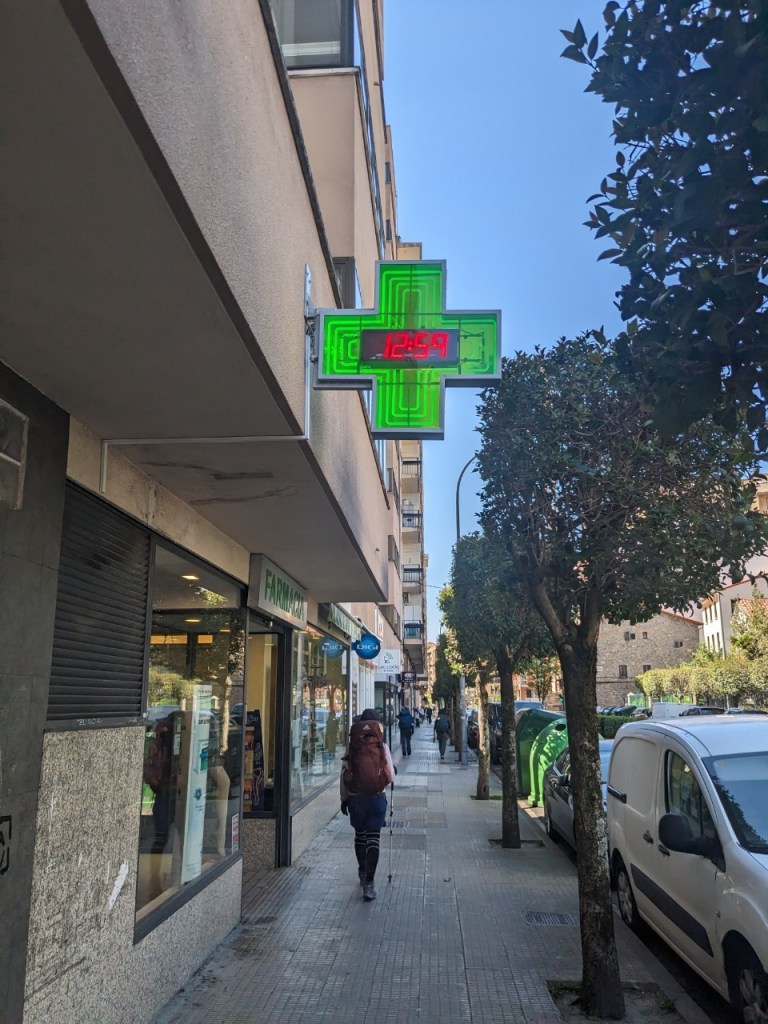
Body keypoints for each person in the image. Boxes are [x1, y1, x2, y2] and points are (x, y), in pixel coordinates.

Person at [340, 709, 395, 902]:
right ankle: (369, 884)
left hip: (356, 798)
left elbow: (344, 772)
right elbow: (390, 774)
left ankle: (362, 871)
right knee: (373, 839)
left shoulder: (353, 746)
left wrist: (344, 799)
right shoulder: (381, 745)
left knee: (360, 836)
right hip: (376, 798)